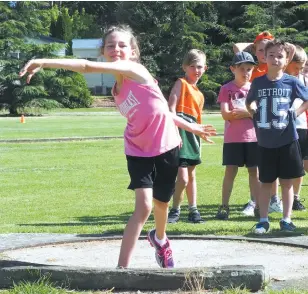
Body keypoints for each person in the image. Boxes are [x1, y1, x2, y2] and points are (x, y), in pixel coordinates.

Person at [19, 24, 216, 268]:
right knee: (143, 207)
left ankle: (160, 239)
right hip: (137, 148)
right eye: (110, 45)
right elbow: (157, 110)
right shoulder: (116, 89)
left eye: (123, 45)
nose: (116, 49)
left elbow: (87, 67)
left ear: (133, 51)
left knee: (162, 203)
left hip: (166, 146)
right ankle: (122, 269)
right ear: (103, 51)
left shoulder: (136, 70)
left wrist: (44, 61)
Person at [246, 39, 308, 234]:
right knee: (266, 182)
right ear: (264, 57)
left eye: (280, 56)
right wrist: (253, 111)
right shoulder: (258, 82)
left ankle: (286, 219)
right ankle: (263, 219)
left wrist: (296, 113)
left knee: (287, 182)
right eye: (271, 55)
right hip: (265, 140)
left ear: (287, 59)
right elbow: (249, 103)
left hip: (287, 139)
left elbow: (306, 99)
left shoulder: (292, 81)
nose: (275, 59)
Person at [234, 31, 287, 215]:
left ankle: (274, 199)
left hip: (275, 127)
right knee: (257, 167)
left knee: (276, 167)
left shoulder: (276, 68)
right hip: (257, 125)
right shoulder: (253, 70)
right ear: (256, 51)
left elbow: (290, 51)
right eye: (261, 50)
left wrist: (268, 45)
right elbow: (237, 48)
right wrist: (255, 45)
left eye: (268, 50)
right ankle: (254, 200)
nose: (265, 54)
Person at [215, 51, 259, 220]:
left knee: (254, 172)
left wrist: (246, 112)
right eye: (242, 69)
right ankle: (224, 206)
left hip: (253, 137)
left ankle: (255, 204)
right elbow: (226, 114)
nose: (246, 72)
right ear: (233, 69)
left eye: (249, 69)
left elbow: (259, 113)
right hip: (233, 139)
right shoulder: (226, 89)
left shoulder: (255, 88)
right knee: (230, 172)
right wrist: (249, 112)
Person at [167, 49, 208, 224]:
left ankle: (193, 210)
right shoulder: (181, 83)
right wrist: (175, 132)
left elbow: (197, 121)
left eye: (199, 67)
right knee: (182, 177)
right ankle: (175, 210)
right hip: (179, 134)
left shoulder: (200, 94)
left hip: (193, 138)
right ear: (185, 67)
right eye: (192, 66)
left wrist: (201, 134)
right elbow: (170, 109)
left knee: (191, 176)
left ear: (205, 68)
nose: (196, 70)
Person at [285, 45, 308, 211]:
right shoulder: (280, 77)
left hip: (301, 127)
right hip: (283, 129)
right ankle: (278, 199)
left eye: (302, 68)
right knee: (285, 167)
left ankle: (296, 198)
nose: (299, 71)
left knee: (300, 166)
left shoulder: (303, 79)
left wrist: (297, 113)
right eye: (296, 67)